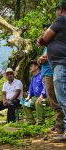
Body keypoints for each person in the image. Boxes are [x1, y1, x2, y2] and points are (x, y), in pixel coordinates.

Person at [37, 0, 66, 140]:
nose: (55, 12)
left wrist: (43, 39)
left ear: (61, 9)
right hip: (61, 64)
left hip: (60, 64)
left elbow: (43, 39)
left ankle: (64, 129)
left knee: (62, 99)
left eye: (56, 10)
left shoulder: (61, 19)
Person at [23, 60, 46, 125]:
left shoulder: (42, 74)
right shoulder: (33, 77)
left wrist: (42, 96)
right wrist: (28, 97)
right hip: (35, 97)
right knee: (25, 103)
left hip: (45, 98)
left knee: (38, 102)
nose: (30, 67)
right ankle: (31, 121)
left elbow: (45, 87)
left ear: (37, 66)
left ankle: (40, 123)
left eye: (31, 66)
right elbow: (30, 89)